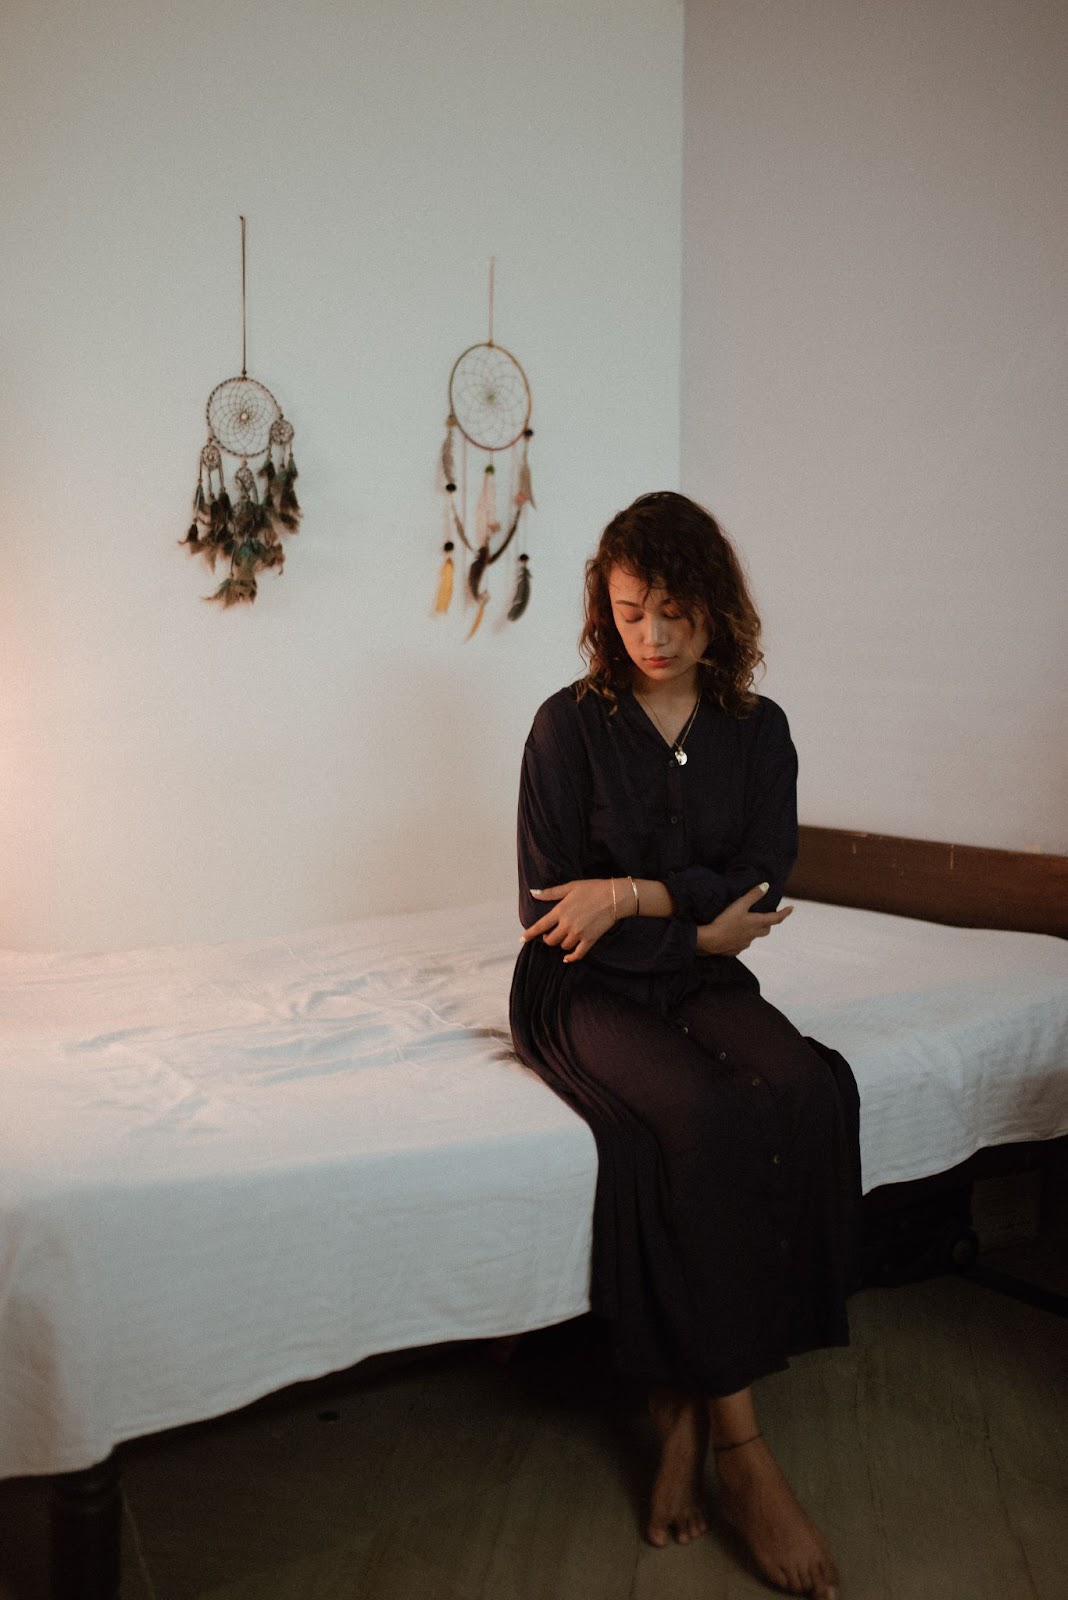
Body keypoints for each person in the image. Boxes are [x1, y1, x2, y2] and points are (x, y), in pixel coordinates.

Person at [508, 492, 861, 1600]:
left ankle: (677, 1401)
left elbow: (762, 879)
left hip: (696, 970)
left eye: (674, 611)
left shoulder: (759, 730)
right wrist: (687, 921)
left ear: (716, 606)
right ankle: (737, 1444)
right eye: (629, 614)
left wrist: (636, 896)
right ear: (604, 611)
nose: (651, 637)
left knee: (803, 1087)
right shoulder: (567, 726)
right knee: (701, 1119)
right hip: (582, 987)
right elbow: (551, 911)